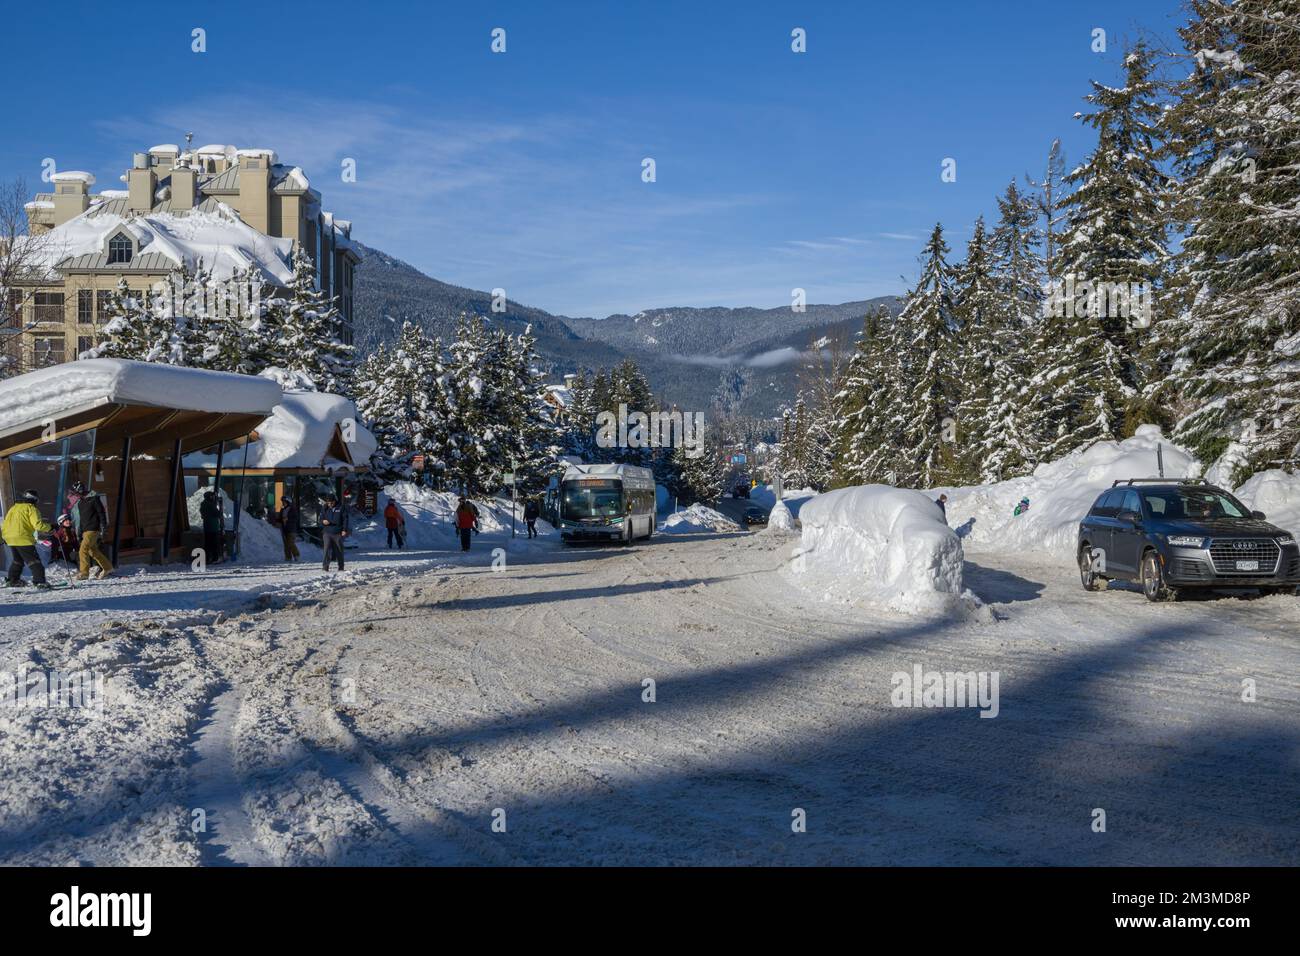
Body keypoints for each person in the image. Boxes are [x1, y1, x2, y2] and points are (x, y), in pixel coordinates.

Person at [3, 489, 53, 590]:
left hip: (9, 537)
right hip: (23, 538)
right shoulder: (31, 509)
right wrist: (51, 527)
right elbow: (38, 525)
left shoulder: (13, 508)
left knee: (18, 560)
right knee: (34, 561)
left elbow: (6, 522)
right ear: (34, 499)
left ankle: (13, 580)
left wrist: (4, 536)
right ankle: (39, 582)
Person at [69, 481, 113, 579]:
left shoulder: (94, 499)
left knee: (82, 550)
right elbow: (80, 519)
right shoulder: (80, 503)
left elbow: (101, 513)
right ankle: (108, 567)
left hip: (93, 529)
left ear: (80, 491)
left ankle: (84, 573)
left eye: (75, 492)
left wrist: (103, 527)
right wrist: (79, 532)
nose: (75, 495)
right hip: (85, 530)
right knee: (92, 551)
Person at [320, 493, 349, 571]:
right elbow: (321, 519)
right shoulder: (325, 508)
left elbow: (345, 519)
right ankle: (325, 567)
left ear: (335, 501)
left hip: (338, 532)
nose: (330, 504)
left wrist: (344, 530)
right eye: (328, 502)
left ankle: (341, 566)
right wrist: (323, 521)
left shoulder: (341, 507)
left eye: (331, 502)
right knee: (327, 549)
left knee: (339, 550)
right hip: (327, 532)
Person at [200, 491, 224, 565]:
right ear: (209, 497)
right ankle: (215, 558)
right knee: (214, 544)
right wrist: (220, 508)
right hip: (213, 527)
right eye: (212, 496)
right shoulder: (210, 505)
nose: (213, 498)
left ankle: (207, 559)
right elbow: (218, 514)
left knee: (207, 544)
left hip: (207, 527)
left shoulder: (203, 504)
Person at [276, 495, 300, 562]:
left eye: (284, 501)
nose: (283, 503)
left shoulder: (292, 509)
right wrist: (277, 521)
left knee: (290, 543)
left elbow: (296, 518)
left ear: (288, 502)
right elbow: (280, 518)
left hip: (292, 529)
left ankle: (297, 555)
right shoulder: (282, 509)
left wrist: (288, 519)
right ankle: (288, 557)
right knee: (286, 544)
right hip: (284, 529)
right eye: (282, 501)